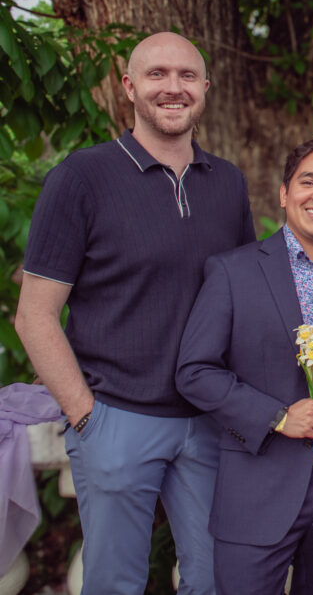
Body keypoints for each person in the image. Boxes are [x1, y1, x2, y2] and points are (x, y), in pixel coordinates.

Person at [13, 32, 256, 595]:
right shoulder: (81, 177)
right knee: (114, 584)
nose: (173, 87)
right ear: (129, 87)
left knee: (219, 580)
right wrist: (86, 416)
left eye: (187, 76)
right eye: (156, 75)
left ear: (205, 88)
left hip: (209, 423)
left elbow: (250, 292)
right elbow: (35, 315)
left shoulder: (229, 183)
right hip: (116, 419)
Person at [175, 137, 313, 594]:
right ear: (285, 193)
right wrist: (278, 416)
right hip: (259, 479)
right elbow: (195, 371)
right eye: (308, 181)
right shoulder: (234, 271)